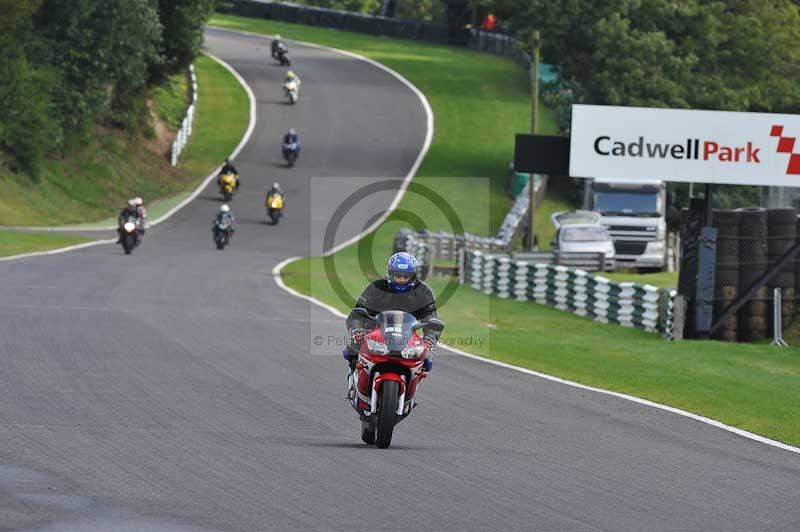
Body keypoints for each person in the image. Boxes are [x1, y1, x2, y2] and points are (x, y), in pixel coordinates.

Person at [344, 252, 440, 371]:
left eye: (406, 276)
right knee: (352, 351)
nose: (402, 279)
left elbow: (430, 318)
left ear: (413, 276)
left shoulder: (423, 291)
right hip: (375, 333)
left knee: (425, 361)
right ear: (391, 274)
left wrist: (430, 337)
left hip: (408, 337)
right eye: (398, 275)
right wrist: (357, 329)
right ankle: (354, 376)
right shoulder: (377, 287)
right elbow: (357, 314)